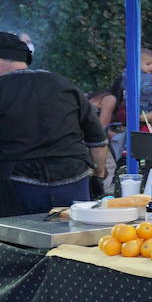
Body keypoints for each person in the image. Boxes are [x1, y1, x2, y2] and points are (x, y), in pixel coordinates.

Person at [0, 32, 109, 215]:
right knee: (75, 241)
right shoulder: (63, 83)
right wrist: (98, 176)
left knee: (20, 242)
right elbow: (98, 141)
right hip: (74, 183)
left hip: (18, 188)